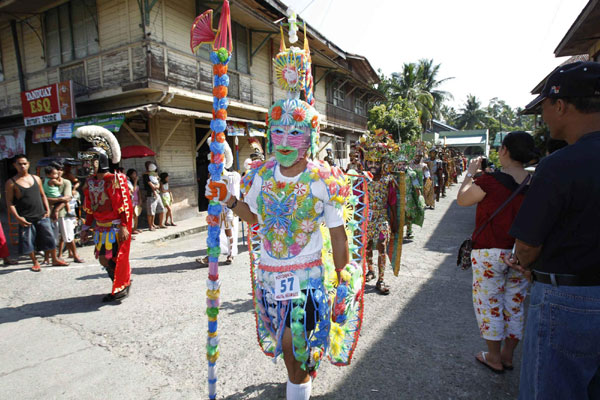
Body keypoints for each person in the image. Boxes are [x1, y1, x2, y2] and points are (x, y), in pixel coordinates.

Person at [206, 31, 364, 399]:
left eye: (296, 131)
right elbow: (256, 219)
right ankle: (302, 376)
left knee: (294, 346)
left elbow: (338, 235)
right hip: (269, 274)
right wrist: (229, 201)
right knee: (292, 350)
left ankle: (300, 383)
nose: (285, 139)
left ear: (311, 135)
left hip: (308, 275)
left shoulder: (324, 179)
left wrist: (344, 277)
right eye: (277, 131)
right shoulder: (260, 174)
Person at [505, 61, 600, 399]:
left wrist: (524, 263)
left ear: (560, 105)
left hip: (569, 300)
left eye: (543, 106)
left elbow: (526, 247)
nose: (543, 116)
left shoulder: (558, 166)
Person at [457, 131, 539, 374]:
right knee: (515, 304)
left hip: (489, 253)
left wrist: (471, 173)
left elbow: (462, 199)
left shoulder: (490, 182)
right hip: (521, 254)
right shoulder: (536, 185)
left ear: (504, 150)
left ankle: (493, 356)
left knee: (489, 303)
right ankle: (507, 355)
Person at [75, 126, 133, 302]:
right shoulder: (90, 182)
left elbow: (124, 204)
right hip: (101, 229)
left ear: (100, 161)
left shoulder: (115, 179)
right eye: (85, 162)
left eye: (89, 161)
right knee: (103, 259)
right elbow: (90, 207)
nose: (86, 165)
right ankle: (123, 283)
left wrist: (124, 225)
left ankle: (121, 285)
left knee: (114, 257)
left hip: (115, 227)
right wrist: (86, 226)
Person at [5, 155, 68, 271]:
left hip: (41, 214)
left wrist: (47, 209)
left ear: (28, 164)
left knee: (50, 238)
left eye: (24, 163)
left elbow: (43, 195)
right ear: (15, 165)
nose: (22, 166)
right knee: (28, 242)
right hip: (25, 217)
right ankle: (35, 262)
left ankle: (54, 259)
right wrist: (18, 218)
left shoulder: (36, 178)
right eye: (19, 164)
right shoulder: (11, 182)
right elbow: (9, 203)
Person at [362, 139, 397, 295]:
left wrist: (395, 222)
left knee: (382, 246)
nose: (373, 166)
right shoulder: (362, 179)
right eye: (370, 162)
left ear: (382, 163)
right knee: (367, 246)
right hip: (367, 219)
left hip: (382, 217)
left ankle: (381, 279)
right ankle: (370, 270)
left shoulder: (388, 180)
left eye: (377, 162)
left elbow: (393, 203)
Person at [47, 161, 84, 264]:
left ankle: (75, 255)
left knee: (69, 235)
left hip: (63, 213)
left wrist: (57, 208)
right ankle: (55, 258)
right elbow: (45, 198)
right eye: (56, 170)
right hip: (50, 213)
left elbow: (68, 198)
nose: (59, 172)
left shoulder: (66, 182)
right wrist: (60, 200)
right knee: (53, 237)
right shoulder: (46, 182)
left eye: (60, 170)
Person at [143, 161, 165, 230]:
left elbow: (158, 184)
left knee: (161, 209)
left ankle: (160, 224)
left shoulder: (154, 175)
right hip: (151, 194)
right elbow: (152, 186)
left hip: (157, 193)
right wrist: (155, 187)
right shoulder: (146, 175)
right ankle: (150, 226)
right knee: (151, 211)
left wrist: (156, 186)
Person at [126, 169, 142, 234]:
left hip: (136, 200)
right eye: (133, 174)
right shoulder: (129, 182)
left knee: (136, 215)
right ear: (130, 175)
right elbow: (133, 190)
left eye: (135, 173)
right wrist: (135, 181)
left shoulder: (136, 182)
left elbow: (138, 191)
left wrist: (140, 199)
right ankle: (132, 229)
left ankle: (135, 228)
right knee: (132, 216)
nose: (135, 175)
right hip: (131, 200)